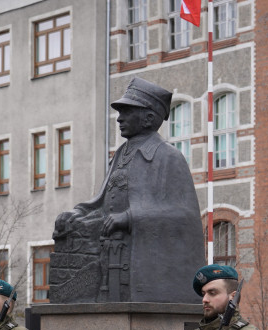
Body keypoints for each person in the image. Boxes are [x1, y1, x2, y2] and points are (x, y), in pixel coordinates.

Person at [52, 77, 203, 304]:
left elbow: (185, 216)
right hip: (111, 260)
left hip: (143, 268)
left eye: (127, 112)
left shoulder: (168, 157)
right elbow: (102, 202)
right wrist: (78, 213)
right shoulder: (121, 154)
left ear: (148, 118)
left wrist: (130, 218)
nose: (119, 118)